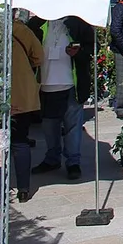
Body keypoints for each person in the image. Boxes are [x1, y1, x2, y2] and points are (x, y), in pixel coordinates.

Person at [29, 15, 95, 180]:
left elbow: (93, 48)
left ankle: (73, 162)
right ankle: (52, 159)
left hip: (71, 85)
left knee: (72, 126)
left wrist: (78, 52)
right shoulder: (37, 23)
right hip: (45, 84)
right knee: (49, 126)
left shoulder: (78, 22)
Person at [11, 14, 43, 202]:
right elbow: (38, 57)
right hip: (19, 93)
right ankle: (23, 190)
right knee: (20, 141)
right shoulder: (20, 29)